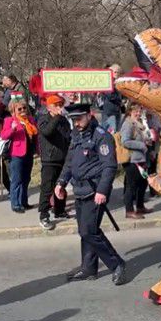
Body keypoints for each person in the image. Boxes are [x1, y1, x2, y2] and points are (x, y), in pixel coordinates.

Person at [54, 103, 126, 285]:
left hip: (94, 190)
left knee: (89, 231)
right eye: (73, 120)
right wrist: (61, 182)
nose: (76, 123)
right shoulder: (77, 135)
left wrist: (102, 190)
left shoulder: (101, 136)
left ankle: (117, 264)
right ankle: (88, 267)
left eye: (79, 119)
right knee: (85, 231)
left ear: (90, 114)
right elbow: (70, 161)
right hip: (79, 189)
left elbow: (109, 166)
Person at [37, 95, 71, 230]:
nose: (59, 107)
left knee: (61, 186)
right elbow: (47, 132)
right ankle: (44, 215)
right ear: (49, 106)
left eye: (61, 105)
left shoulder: (63, 120)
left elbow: (68, 136)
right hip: (50, 159)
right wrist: (56, 117)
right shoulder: (43, 119)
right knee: (47, 188)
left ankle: (60, 210)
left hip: (62, 157)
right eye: (56, 105)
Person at [0, 100, 37, 213]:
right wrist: (13, 129)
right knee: (17, 179)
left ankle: (24, 202)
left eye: (24, 108)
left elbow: (35, 135)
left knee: (26, 179)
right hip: (16, 154)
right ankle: (15, 204)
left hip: (29, 153)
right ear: (13, 111)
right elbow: (4, 135)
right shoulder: (10, 120)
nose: (22, 111)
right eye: (19, 109)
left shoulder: (30, 120)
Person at [120, 104, 152, 219]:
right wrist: (142, 145)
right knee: (131, 186)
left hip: (141, 158)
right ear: (129, 111)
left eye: (139, 111)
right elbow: (125, 141)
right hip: (132, 160)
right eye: (135, 111)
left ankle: (140, 206)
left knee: (142, 183)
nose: (138, 113)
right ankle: (129, 211)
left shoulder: (139, 124)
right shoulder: (128, 124)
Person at [101, 64, 124, 132]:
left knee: (116, 131)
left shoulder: (117, 82)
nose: (117, 74)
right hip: (109, 111)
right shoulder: (107, 81)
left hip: (117, 110)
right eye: (115, 72)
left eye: (118, 72)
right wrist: (119, 100)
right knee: (110, 131)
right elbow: (110, 96)